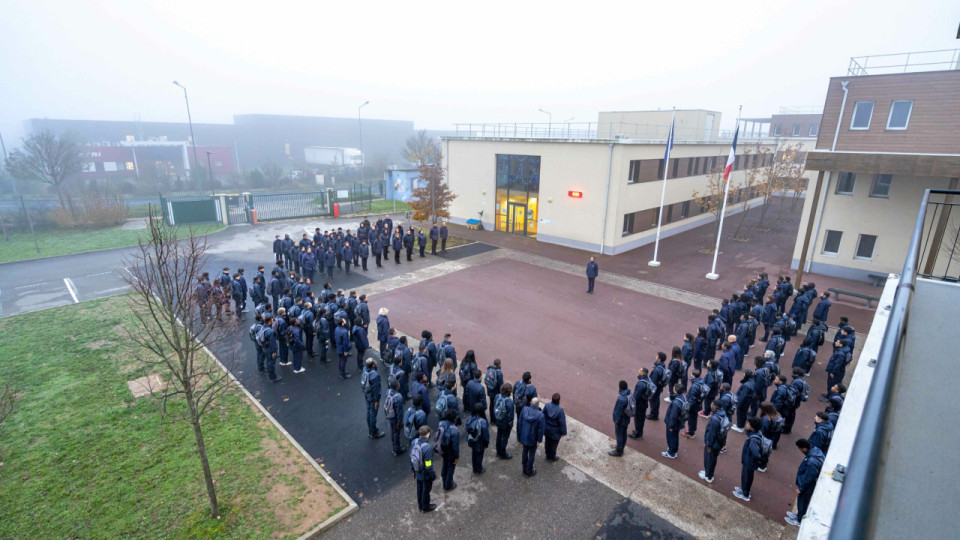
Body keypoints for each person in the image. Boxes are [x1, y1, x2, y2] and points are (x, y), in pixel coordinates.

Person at [785, 439, 824, 526]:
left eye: (800, 449)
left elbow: (809, 477)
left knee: (803, 502)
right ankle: (799, 515)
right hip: (809, 484)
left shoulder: (811, 462)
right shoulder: (816, 451)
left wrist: (801, 488)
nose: (800, 450)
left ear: (805, 449)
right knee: (802, 502)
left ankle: (799, 520)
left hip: (808, 486)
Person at [734, 417, 763, 502]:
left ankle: (745, 494)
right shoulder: (757, 433)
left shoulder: (753, 440)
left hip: (749, 462)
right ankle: (743, 489)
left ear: (753, 427)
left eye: (748, 424)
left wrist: (751, 458)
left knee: (747, 477)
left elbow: (756, 453)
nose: (746, 425)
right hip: (749, 461)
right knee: (746, 476)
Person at [699, 400, 728, 483]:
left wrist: (709, 445)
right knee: (712, 459)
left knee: (710, 459)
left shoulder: (715, 419)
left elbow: (712, 433)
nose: (711, 405)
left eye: (712, 404)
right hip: (718, 442)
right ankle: (708, 472)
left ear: (715, 406)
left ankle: (708, 476)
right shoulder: (723, 414)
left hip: (713, 443)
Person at [411, 426, 437, 512]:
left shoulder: (414, 442)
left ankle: (420, 505)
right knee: (426, 490)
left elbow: (411, 456)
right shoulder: (427, 448)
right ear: (427, 434)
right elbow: (428, 465)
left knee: (419, 488)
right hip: (425, 473)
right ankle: (425, 506)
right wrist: (433, 475)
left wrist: (413, 470)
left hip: (417, 470)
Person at [517, 397, 545, 476]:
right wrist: (539, 440)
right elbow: (541, 430)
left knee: (524, 452)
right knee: (532, 454)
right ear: (538, 404)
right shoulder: (540, 415)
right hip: (533, 438)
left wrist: (519, 436)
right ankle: (529, 470)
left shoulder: (524, 409)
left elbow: (520, 423)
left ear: (530, 403)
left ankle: (524, 468)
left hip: (524, 436)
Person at [361, 358, 385, 439]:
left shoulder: (365, 369)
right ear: (373, 365)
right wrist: (377, 401)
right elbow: (376, 390)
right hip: (372, 397)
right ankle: (373, 432)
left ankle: (370, 429)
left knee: (369, 412)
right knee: (373, 414)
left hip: (367, 394)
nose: (375, 360)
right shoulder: (375, 376)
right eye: (374, 361)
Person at [662, 384, 686, 459]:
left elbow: (673, 416)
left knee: (671, 436)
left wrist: (671, 425)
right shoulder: (683, 398)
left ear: (675, 391)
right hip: (679, 421)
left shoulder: (676, 402)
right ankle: (673, 450)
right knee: (675, 436)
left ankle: (671, 452)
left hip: (673, 423)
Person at [439, 408, 460, 491]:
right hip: (451, 452)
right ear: (454, 418)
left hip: (443, 449)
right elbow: (455, 447)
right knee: (451, 468)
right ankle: (448, 484)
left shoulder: (441, 424)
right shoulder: (455, 430)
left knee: (445, 465)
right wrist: (456, 457)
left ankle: (444, 479)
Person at [543, 393, 567, 462]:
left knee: (547, 442)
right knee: (554, 444)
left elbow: (543, 415)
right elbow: (562, 423)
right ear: (559, 400)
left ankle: (547, 455)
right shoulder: (560, 411)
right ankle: (552, 456)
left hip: (547, 428)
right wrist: (564, 432)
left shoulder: (547, 406)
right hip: (556, 431)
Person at [466, 403, 490, 473]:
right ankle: (478, 468)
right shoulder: (483, 422)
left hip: (472, 440)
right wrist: (486, 443)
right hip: (480, 442)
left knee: (474, 453)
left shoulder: (470, 418)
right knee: (479, 455)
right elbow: (485, 435)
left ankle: (474, 467)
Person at [493, 383, 515, 459]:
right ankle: (502, 453)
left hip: (498, 419)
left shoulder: (497, 396)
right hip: (505, 422)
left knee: (499, 435)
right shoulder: (509, 402)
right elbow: (510, 416)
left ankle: (498, 451)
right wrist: (510, 425)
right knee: (505, 438)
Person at [610, 381, 632, 457]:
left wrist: (616, 421)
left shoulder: (621, 399)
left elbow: (618, 412)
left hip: (621, 420)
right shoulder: (629, 395)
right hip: (626, 419)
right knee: (624, 433)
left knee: (619, 435)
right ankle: (622, 447)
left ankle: (619, 450)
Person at [630, 368, 653, 439]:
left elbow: (636, 396)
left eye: (640, 370)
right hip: (644, 402)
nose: (638, 370)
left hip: (639, 404)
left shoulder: (641, 384)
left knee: (638, 418)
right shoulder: (648, 380)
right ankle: (639, 431)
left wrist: (631, 403)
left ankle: (638, 433)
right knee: (641, 418)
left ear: (642, 373)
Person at [385, 380, 405, 455]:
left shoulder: (388, 392)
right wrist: (399, 422)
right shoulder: (399, 397)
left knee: (393, 432)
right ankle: (397, 449)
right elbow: (399, 412)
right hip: (395, 418)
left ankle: (394, 446)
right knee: (396, 433)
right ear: (397, 387)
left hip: (389, 415)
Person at [647, 352, 668, 420]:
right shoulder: (662, 366)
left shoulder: (657, 370)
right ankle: (655, 413)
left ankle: (653, 414)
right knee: (656, 400)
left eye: (657, 356)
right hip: (659, 387)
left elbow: (654, 381)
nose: (655, 357)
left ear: (659, 359)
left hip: (655, 388)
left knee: (653, 400)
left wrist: (650, 390)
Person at [261, 314, 282, 383]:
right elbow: (272, 343)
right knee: (271, 363)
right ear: (269, 321)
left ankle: (271, 375)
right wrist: (274, 352)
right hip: (270, 350)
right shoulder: (270, 331)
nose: (273, 320)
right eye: (272, 319)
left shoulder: (263, 327)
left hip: (265, 348)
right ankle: (273, 377)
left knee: (268, 361)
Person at [484, 358, 504, 423]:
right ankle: (495, 419)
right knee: (496, 406)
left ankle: (492, 419)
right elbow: (501, 384)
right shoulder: (499, 373)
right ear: (500, 364)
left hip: (490, 390)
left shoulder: (489, 369)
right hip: (496, 392)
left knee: (491, 404)